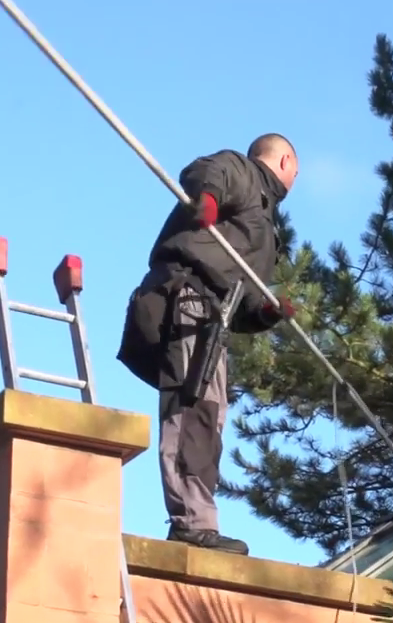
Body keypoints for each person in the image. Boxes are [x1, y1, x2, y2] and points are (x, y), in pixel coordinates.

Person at [116, 134, 299, 556]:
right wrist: (209, 200)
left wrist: (265, 313)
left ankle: (199, 519)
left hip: (214, 314)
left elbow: (243, 297)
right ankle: (191, 524)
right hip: (186, 299)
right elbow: (204, 172)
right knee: (191, 409)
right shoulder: (244, 173)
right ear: (285, 160)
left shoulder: (264, 224)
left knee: (209, 417)